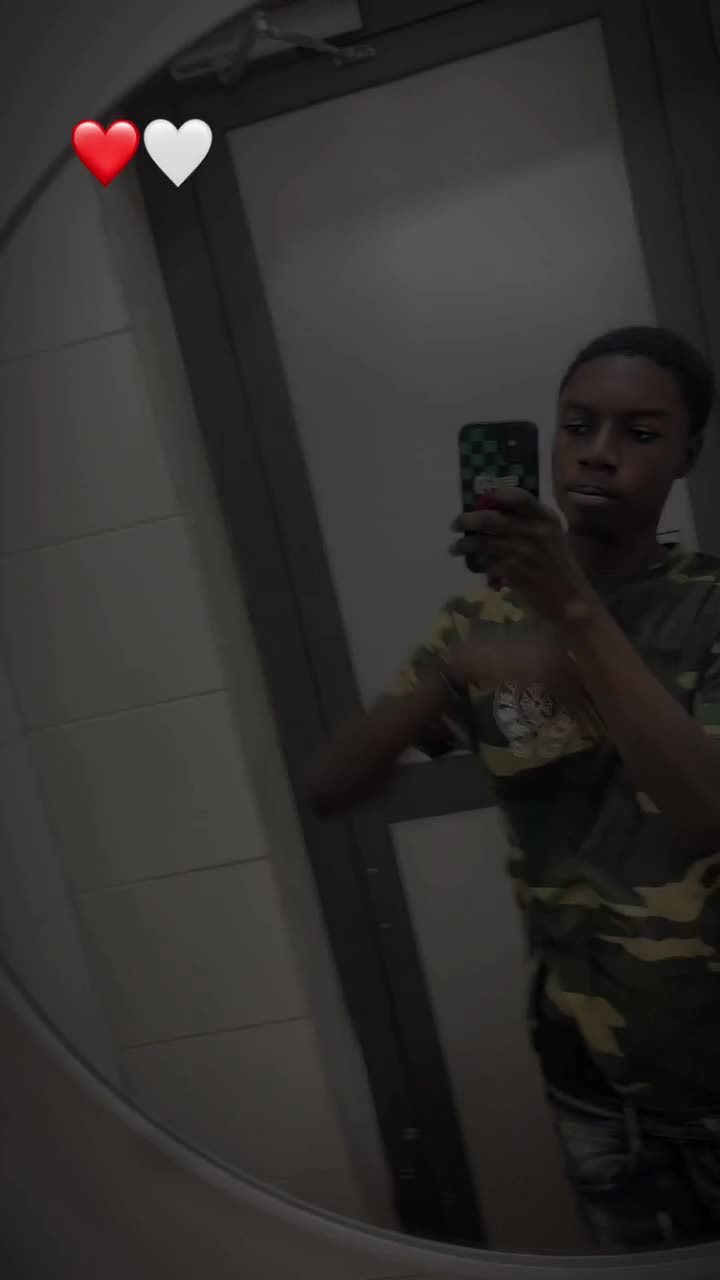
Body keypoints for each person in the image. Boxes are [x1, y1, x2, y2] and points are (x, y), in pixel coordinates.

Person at [306, 326, 720, 1253]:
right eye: (578, 425)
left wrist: (574, 610)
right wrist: (449, 675)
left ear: (687, 455)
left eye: (640, 433)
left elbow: (709, 814)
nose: (599, 452)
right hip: (595, 1087)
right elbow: (331, 786)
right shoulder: (482, 622)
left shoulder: (710, 609)